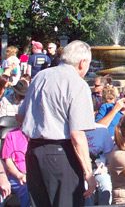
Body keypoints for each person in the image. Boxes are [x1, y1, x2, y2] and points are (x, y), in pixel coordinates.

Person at [17, 40, 96, 206]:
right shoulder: (77, 84)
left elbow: (20, 116)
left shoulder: (40, 76)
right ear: (82, 62)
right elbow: (77, 134)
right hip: (61, 154)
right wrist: (89, 174)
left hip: (33, 151)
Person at [1, 127, 30, 207]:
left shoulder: (40, 135)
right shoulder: (12, 135)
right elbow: (8, 162)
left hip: (36, 174)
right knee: (26, 188)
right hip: (17, 175)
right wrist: (19, 175)